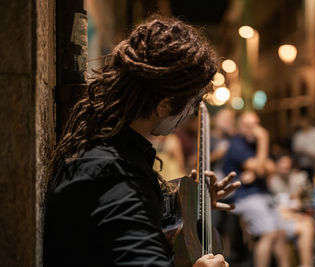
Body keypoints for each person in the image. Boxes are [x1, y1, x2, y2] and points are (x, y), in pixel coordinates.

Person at [43, 16, 240, 267]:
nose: (190, 113)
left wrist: (191, 208)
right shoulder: (113, 172)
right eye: (190, 104)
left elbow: (130, 219)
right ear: (164, 105)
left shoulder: (111, 148)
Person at [223, 112, 289, 267]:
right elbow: (261, 169)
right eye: (249, 126)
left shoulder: (254, 145)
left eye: (256, 125)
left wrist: (259, 169)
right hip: (245, 197)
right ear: (240, 127)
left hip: (263, 195)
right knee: (269, 234)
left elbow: (272, 168)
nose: (255, 130)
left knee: (280, 233)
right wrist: (263, 139)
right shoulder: (236, 145)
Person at [269, 154, 315, 267]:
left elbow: (301, 201)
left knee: (309, 223)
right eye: (283, 164)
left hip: (292, 218)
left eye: (288, 165)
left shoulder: (294, 179)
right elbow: (274, 209)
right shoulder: (270, 181)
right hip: (276, 222)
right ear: (276, 165)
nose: (286, 167)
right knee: (307, 226)